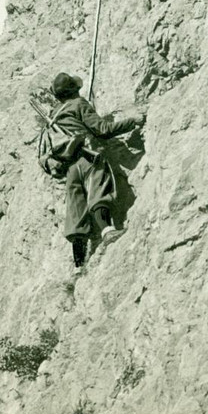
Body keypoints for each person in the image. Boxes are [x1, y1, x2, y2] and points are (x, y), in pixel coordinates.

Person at [46, 72, 145, 269]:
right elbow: (103, 130)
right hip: (89, 157)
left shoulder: (54, 116)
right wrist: (132, 121)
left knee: (76, 209)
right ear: (74, 89)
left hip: (70, 166)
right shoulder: (79, 104)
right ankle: (108, 231)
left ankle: (79, 264)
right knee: (98, 191)